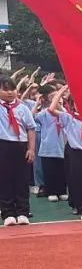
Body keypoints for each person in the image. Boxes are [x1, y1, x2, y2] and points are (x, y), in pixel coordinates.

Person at [47, 87, 82, 220]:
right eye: (77, 102)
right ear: (72, 104)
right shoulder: (68, 117)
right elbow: (51, 109)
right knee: (79, 181)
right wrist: (63, 89)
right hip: (76, 153)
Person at [0, 75, 36, 226]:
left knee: (22, 179)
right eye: (5, 89)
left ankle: (22, 212)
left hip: (20, 145)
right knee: (5, 179)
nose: (10, 93)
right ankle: (8, 212)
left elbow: (31, 128)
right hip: (3, 144)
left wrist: (31, 149)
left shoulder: (22, 108)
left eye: (13, 89)